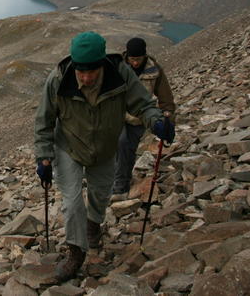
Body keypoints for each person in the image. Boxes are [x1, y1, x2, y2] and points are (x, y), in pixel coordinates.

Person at [33, 31, 174, 282]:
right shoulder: (58, 80)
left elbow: (143, 104)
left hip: (105, 148)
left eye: (92, 72)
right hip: (69, 147)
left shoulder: (120, 74)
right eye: (81, 72)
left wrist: (157, 122)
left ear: (101, 65)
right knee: (72, 201)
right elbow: (44, 120)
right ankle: (76, 253)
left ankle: (93, 225)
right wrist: (43, 157)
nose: (86, 78)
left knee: (100, 195)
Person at [112, 37, 176, 197]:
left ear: (144, 56)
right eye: (132, 59)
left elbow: (166, 98)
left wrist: (168, 122)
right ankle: (117, 182)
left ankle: (122, 182)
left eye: (138, 59)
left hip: (139, 117)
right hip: (116, 115)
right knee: (120, 144)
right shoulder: (117, 68)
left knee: (128, 147)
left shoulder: (154, 70)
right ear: (127, 57)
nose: (135, 63)